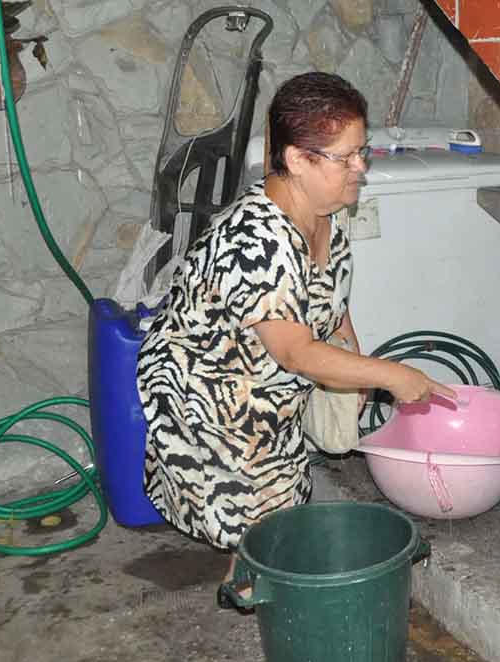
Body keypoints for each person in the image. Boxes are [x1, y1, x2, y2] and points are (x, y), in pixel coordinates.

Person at [136, 72, 454, 576]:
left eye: (362, 152)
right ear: (297, 160)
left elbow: (329, 291)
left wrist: (351, 351)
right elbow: (296, 354)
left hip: (267, 379)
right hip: (212, 390)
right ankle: (263, 591)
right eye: (345, 157)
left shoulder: (325, 211)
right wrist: (390, 374)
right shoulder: (257, 241)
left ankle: (260, 585)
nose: (360, 169)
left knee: (285, 503)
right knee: (258, 519)